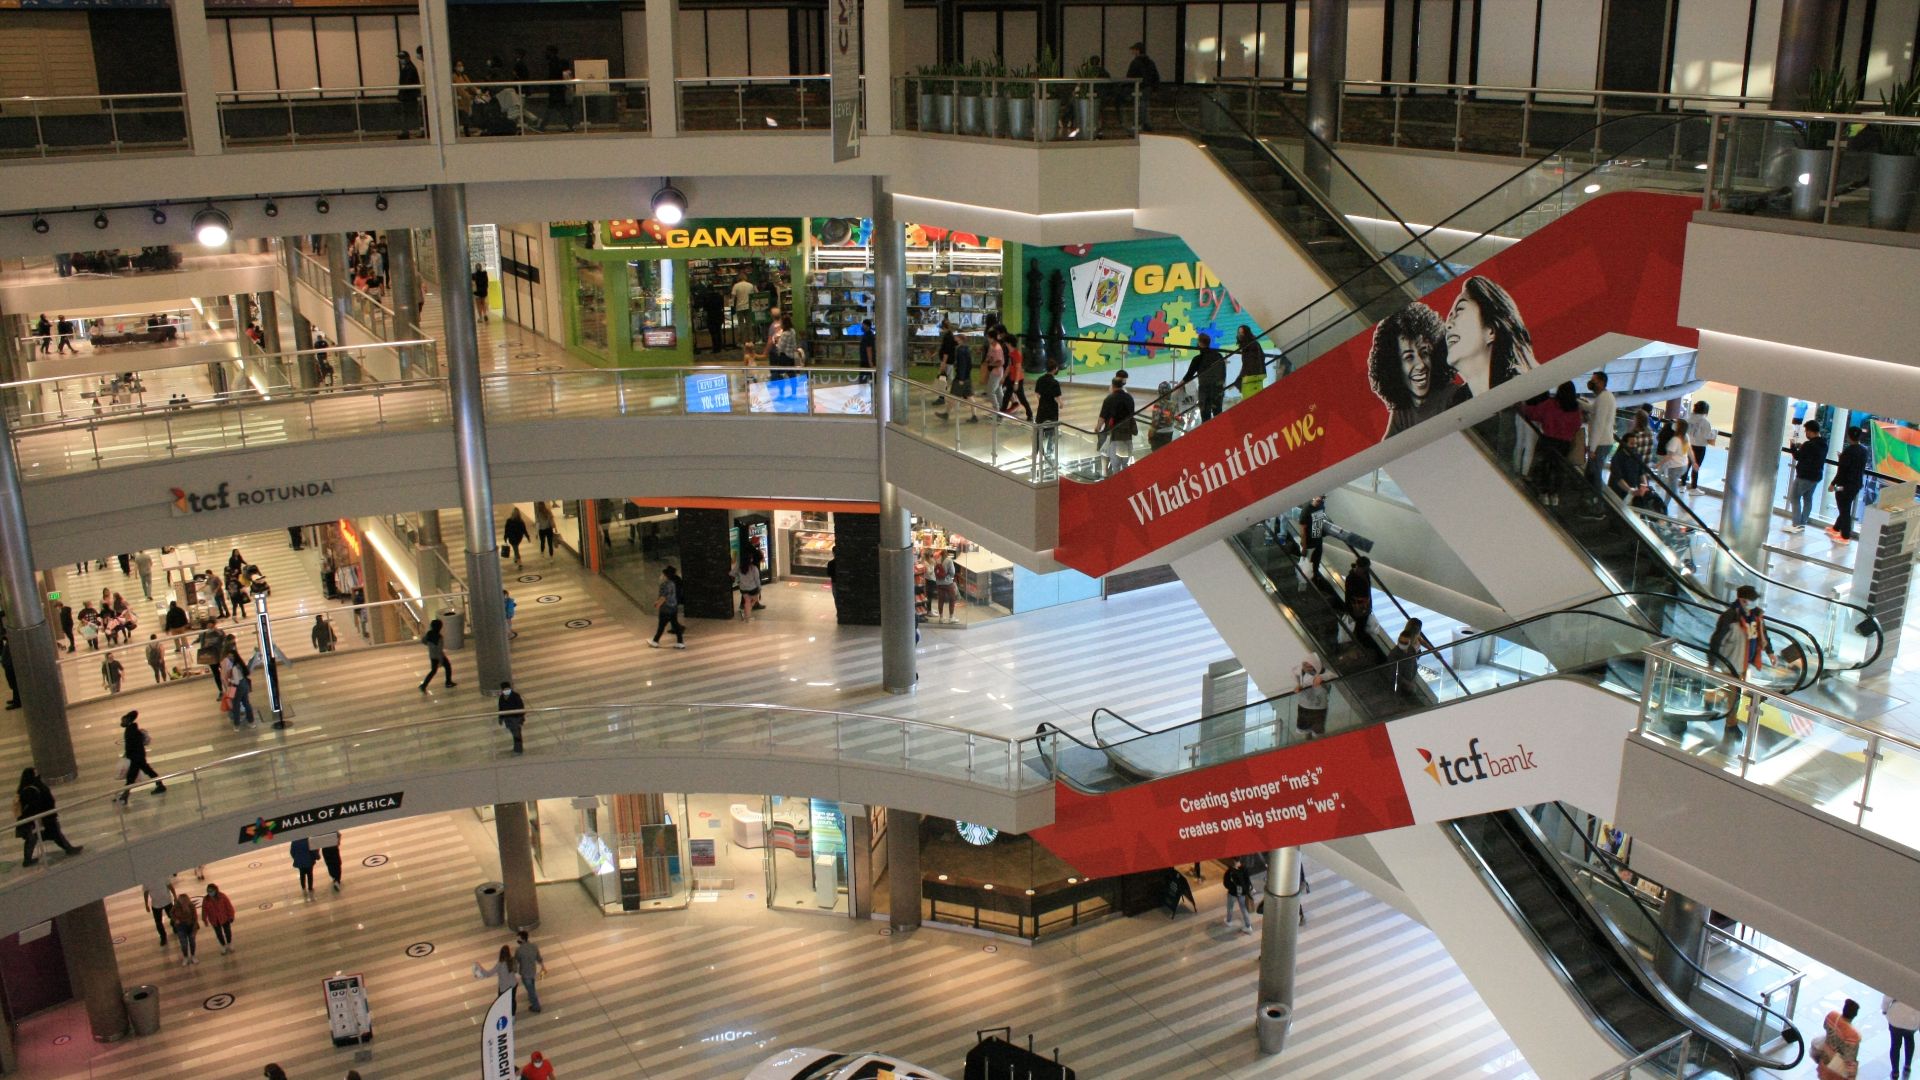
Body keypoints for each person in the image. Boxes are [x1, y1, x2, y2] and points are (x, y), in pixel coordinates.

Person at [1368, 302, 1466, 438]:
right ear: (1394, 367)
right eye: (1409, 357)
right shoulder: (1402, 413)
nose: (1420, 365)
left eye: (1424, 352)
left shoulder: (1455, 397)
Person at [1443, 276, 1535, 397]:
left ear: (1490, 331)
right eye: (1449, 316)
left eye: (1459, 310)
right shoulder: (1455, 404)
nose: (1447, 325)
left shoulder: (1524, 389)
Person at [1521, 381, 1585, 506]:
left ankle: (1543, 494)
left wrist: (1522, 407)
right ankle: (1554, 495)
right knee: (1559, 469)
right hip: (1565, 444)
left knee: (1545, 467)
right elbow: (1577, 425)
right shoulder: (1575, 409)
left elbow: (1535, 413)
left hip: (1548, 440)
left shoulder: (1551, 404)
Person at [16, 767, 82, 865]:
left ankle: (27, 860)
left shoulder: (30, 787)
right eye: (35, 773)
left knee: (42, 837)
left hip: (44, 817)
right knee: (50, 835)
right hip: (42, 817)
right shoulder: (31, 789)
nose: (37, 774)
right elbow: (34, 805)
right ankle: (68, 849)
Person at [1788, 419, 1829, 534]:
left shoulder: (1808, 445)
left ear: (1810, 431)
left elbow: (1797, 456)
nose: (1806, 433)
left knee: (1794, 497)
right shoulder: (1824, 444)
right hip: (1816, 476)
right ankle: (1802, 523)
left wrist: (1793, 448)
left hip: (1804, 476)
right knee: (1808, 499)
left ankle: (1796, 524)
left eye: (1806, 431)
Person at [1179, 333, 1229, 423]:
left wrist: (1177, 387)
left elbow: (1188, 376)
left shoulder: (1197, 359)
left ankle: (1208, 436)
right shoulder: (1218, 356)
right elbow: (1223, 373)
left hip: (1205, 391)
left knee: (1206, 417)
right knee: (1218, 414)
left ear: (1200, 343)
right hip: (1218, 389)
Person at [1831, 426, 1869, 542]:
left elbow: (1842, 470)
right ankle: (1836, 528)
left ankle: (1845, 536)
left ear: (1849, 436)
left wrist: (1833, 484)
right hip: (1856, 484)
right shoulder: (1864, 450)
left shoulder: (1848, 451)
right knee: (1845, 506)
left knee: (1844, 508)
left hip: (1844, 485)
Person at [119, 710, 165, 802]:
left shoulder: (131, 730)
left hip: (136, 757)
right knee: (147, 772)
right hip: (138, 756)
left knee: (131, 777)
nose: (122, 722)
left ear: (128, 720)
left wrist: (128, 754)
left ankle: (125, 795)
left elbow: (131, 745)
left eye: (123, 720)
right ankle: (160, 785)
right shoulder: (132, 729)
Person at [1096, 377, 1136, 475]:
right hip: (1127, 435)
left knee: (1115, 465)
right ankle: (1127, 483)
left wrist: (1098, 427)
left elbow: (1102, 417)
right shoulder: (1129, 397)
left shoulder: (1109, 399)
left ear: (1113, 385)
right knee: (1125, 464)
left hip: (1114, 435)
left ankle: (1110, 477)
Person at [1814, 999, 1862, 1080]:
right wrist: (1851, 1076)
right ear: (1855, 1014)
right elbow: (1849, 1058)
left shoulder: (1832, 1016)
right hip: (1836, 1068)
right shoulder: (1853, 1035)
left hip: (1825, 1057)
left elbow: (1825, 1026)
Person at [474, 944, 522, 1014]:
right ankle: (513, 1016)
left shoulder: (499, 964)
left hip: (504, 987)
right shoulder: (513, 960)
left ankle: (504, 1015)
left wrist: (480, 967)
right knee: (512, 1000)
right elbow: (515, 971)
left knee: (502, 1001)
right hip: (513, 985)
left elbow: (488, 974)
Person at [1033, 358, 1062, 469]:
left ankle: (1036, 452)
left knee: (1039, 430)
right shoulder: (1055, 383)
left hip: (1042, 409)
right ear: (1055, 369)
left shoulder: (1040, 379)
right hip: (1052, 411)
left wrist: (1042, 400)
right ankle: (1049, 453)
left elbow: (1037, 394)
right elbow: (1057, 397)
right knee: (1051, 432)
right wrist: (1061, 404)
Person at [1125, 42, 1161, 130]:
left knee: (1139, 106)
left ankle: (1138, 124)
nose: (1132, 52)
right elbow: (1155, 76)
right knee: (1145, 105)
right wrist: (1155, 88)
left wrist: (1127, 87)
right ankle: (1146, 124)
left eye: (1134, 50)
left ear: (1138, 51)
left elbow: (1130, 76)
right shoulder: (1150, 62)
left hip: (1138, 87)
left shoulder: (1135, 62)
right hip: (1148, 87)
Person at [648, 566, 686, 649]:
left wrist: (657, 604)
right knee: (675, 624)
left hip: (666, 608)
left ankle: (655, 641)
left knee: (661, 626)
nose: (661, 575)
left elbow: (663, 597)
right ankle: (680, 642)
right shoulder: (673, 582)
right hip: (673, 606)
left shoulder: (664, 584)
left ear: (665, 575)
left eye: (663, 574)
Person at [998, 330, 1031, 419]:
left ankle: (1030, 414)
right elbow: (1009, 366)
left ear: (1009, 343)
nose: (1005, 344)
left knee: (1022, 399)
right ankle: (1001, 414)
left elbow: (1018, 369)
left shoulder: (1017, 354)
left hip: (1018, 380)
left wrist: (1016, 383)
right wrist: (1004, 377)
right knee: (1006, 397)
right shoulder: (1011, 353)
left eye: (1005, 342)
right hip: (1011, 379)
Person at [1684, 400, 1716, 490]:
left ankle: (1682, 485)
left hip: (1688, 444)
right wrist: (1715, 432)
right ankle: (1693, 487)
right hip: (1700, 447)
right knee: (1696, 466)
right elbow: (1707, 435)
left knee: (1686, 465)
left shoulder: (1688, 418)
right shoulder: (1705, 422)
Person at [1885, 995, 1918, 1080]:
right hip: (1912, 1021)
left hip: (1895, 1019)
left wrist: (1884, 1010)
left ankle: (1895, 1072)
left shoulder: (1900, 983)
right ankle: (1907, 1065)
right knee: (1909, 1039)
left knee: (1895, 1045)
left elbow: (1887, 997)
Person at [1294, 657, 1329, 738]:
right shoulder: (1298, 672)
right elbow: (1298, 685)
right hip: (1304, 706)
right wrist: (1298, 687)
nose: (1308, 668)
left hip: (1319, 707)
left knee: (1318, 732)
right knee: (1305, 730)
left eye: (1310, 666)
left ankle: (1320, 746)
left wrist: (1321, 678)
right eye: (1305, 665)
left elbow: (1329, 678)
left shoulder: (1324, 673)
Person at [515, 929, 548, 1012]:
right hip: (533, 970)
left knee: (530, 989)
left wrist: (515, 973)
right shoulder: (534, 946)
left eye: (518, 938)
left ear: (522, 939)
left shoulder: (519, 950)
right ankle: (530, 996)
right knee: (531, 985)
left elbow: (516, 961)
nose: (517, 940)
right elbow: (539, 958)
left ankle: (536, 1006)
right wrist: (543, 967)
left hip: (525, 973)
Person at [1387, 619, 1424, 693]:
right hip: (1404, 682)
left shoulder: (1411, 649)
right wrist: (1409, 683)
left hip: (1407, 680)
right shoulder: (1395, 654)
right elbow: (1396, 672)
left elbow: (1413, 666)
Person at [418, 618, 455, 691]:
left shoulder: (429, 633)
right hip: (439, 656)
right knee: (447, 666)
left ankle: (424, 685)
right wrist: (440, 661)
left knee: (433, 671)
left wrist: (429, 645)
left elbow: (423, 641)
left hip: (432, 655)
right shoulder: (439, 637)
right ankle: (448, 682)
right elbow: (439, 650)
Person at [168, 888, 200, 966]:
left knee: (192, 942)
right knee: (183, 943)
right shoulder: (176, 906)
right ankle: (185, 957)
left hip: (191, 925)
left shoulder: (191, 906)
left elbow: (195, 918)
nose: (182, 903)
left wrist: (194, 930)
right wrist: (175, 920)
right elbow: (171, 913)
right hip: (181, 927)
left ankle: (193, 956)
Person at [1222, 857, 1254, 934]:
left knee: (1230, 907)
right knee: (1243, 908)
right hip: (1242, 893)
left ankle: (1229, 921)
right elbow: (1247, 881)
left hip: (1232, 893)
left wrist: (1232, 888)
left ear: (1232, 861)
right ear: (1240, 861)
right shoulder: (1244, 869)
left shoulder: (1229, 871)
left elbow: (1226, 883)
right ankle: (1248, 926)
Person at [203, 883, 236, 954]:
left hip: (224, 917)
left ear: (215, 890)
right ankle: (223, 945)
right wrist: (205, 920)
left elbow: (228, 906)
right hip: (214, 920)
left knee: (227, 932)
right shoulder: (206, 900)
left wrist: (231, 916)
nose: (210, 892)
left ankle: (229, 943)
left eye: (211, 890)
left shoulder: (222, 896)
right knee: (219, 933)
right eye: (208, 891)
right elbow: (204, 910)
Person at [396, 50, 422, 138]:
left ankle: (406, 132)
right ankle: (407, 132)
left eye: (402, 58)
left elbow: (406, 83)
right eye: (400, 58)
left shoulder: (409, 68)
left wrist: (401, 94)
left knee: (407, 114)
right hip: (409, 96)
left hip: (408, 97)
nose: (401, 60)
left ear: (407, 58)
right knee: (408, 114)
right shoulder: (409, 67)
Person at [1235, 325, 1267, 398]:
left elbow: (1250, 361)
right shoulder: (1253, 343)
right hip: (1256, 374)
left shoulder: (1250, 345)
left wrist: (1245, 374)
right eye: (1239, 332)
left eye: (1242, 332)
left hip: (1252, 375)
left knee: (1249, 396)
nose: (1240, 334)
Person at [1344, 554, 1373, 631]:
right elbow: (1348, 593)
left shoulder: (1366, 574)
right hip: (1356, 607)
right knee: (1357, 627)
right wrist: (1348, 609)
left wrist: (1370, 606)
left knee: (1362, 626)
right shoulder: (1351, 578)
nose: (1367, 569)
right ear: (1360, 567)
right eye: (1365, 568)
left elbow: (1368, 591)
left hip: (1365, 607)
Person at [499, 681, 527, 754]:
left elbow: (521, 707)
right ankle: (516, 748)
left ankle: (518, 750)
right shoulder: (502, 697)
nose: (506, 691)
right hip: (508, 719)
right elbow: (500, 708)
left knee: (517, 734)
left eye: (507, 689)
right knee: (514, 734)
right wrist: (500, 718)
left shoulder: (515, 696)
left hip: (516, 718)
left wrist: (521, 718)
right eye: (504, 689)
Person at [931, 549, 958, 624]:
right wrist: (950, 577)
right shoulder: (949, 560)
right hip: (948, 583)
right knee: (952, 599)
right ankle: (951, 617)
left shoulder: (937, 560)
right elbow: (952, 572)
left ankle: (941, 618)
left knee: (941, 600)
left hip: (939, 583)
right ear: (947, 554)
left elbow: (935, 571)